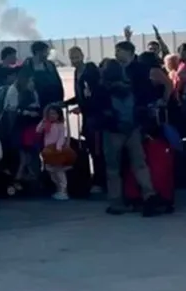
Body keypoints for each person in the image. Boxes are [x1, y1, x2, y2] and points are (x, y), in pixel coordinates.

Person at [101, 42, 168, 217]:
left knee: (117, 167)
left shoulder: (106, 82)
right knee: (136, 164)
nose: (117, 54)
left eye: (119, 51)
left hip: (118, 129)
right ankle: (147, 195)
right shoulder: (131, 78)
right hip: (129, 127)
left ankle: (120, 201)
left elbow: (99, 105)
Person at [65, 46, 106, 194]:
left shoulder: (91, 71)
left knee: (97, 150)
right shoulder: (77, 72)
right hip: (88, 117)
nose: (74, 61)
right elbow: (82, 95)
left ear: (82, 56)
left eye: (76, 57)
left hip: (95, 117)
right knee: (91, 148)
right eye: (72, 58)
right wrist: (67, 103)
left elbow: (95, 95)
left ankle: (100, 181)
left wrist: (81, 107)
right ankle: (96, 179)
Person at [37, 104, 71, 201]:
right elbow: (38, 130)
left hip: (56, 150)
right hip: (48, 150)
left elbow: (61, 137)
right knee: (50, 170)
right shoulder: (47, 124)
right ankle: (58, 188)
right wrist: (43, 121)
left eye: (54, 114)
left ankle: (63, 190)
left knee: (59, 170)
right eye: (50, 114)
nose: (52, 116)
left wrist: (58, 148)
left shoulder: (60, 125)